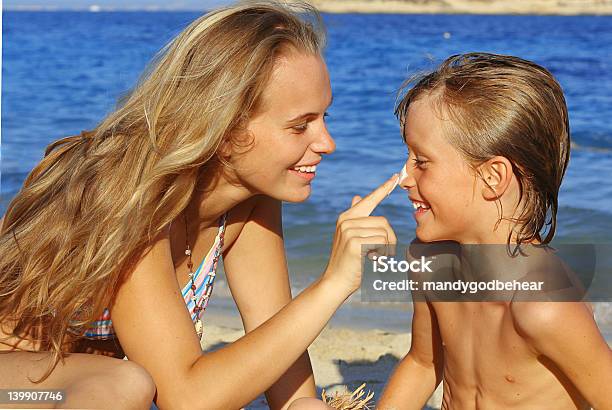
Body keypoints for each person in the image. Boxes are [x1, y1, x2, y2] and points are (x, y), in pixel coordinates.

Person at [0, 2, 397, 408]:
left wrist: (306, 404)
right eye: (300, 125)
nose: (327, 143)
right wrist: (332, 285)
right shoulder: (129, 197)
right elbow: (187, 399)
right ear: (225, 129)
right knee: (123, 384)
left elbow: (285, 375)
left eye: (324, 118)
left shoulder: (249, 200)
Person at [378, 52, 612, 409]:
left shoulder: (544, 306)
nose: (404, 178)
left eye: (421, 162)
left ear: (493, 177)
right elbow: (423, 363)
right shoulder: (429, 262)